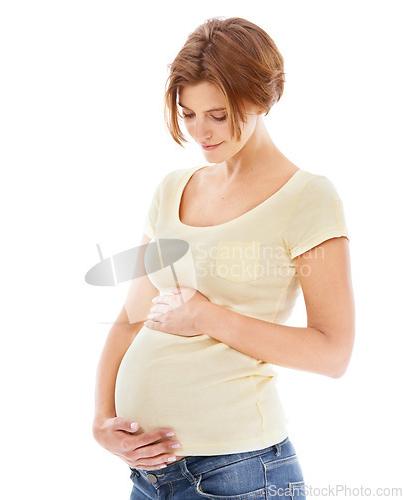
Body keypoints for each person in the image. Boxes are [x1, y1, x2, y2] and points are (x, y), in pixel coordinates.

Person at [92, 16, 355, 499]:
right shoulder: (172, 189)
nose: (201, 132)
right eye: (188, 114)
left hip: (240, 472)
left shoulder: (308, 198)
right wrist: (101, 419)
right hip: (150, 475)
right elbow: (131, 319)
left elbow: (332, 353)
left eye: (217, 114)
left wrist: (207, 315)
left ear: (261, 98)